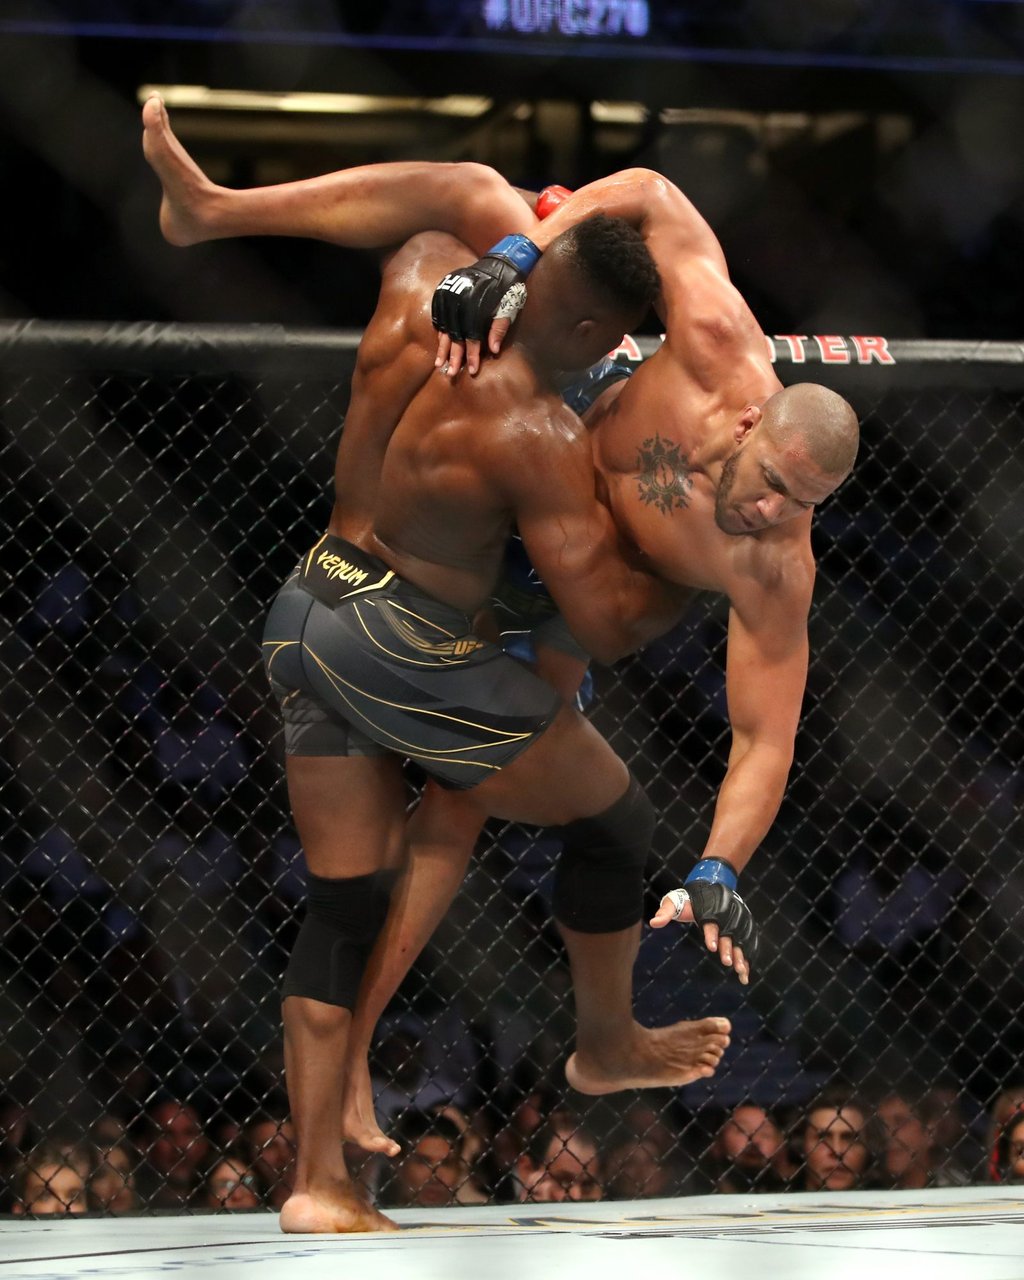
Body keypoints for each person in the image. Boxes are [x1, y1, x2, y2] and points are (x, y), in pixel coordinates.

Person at [142, 98, 856, 1225]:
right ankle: (217, 206)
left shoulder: (774, 564)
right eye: (768, 478)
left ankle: (552, 1042)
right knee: (477, 187)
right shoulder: (715, 340)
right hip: (526, 503)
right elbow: (652, 196)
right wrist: (523, 247)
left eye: (798, 505)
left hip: (590, 591)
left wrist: (721, 865)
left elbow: (765, 732)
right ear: (748, 418)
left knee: (462, 808)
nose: (768, 508)